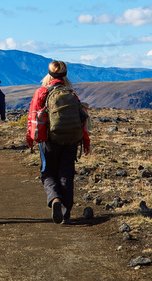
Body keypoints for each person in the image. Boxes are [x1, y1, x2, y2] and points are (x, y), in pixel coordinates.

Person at [25, 60, 90, 224]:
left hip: (49, 140)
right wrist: (86, 141)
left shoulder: (42, 92)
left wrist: (30, 138)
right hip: (71, 140)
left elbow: (33, 117)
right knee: (66, 174)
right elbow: (82, 120)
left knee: (48, 172)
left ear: (49, 74)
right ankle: (65, 212)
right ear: (65, 74)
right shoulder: (71, 94)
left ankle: (55, 199)